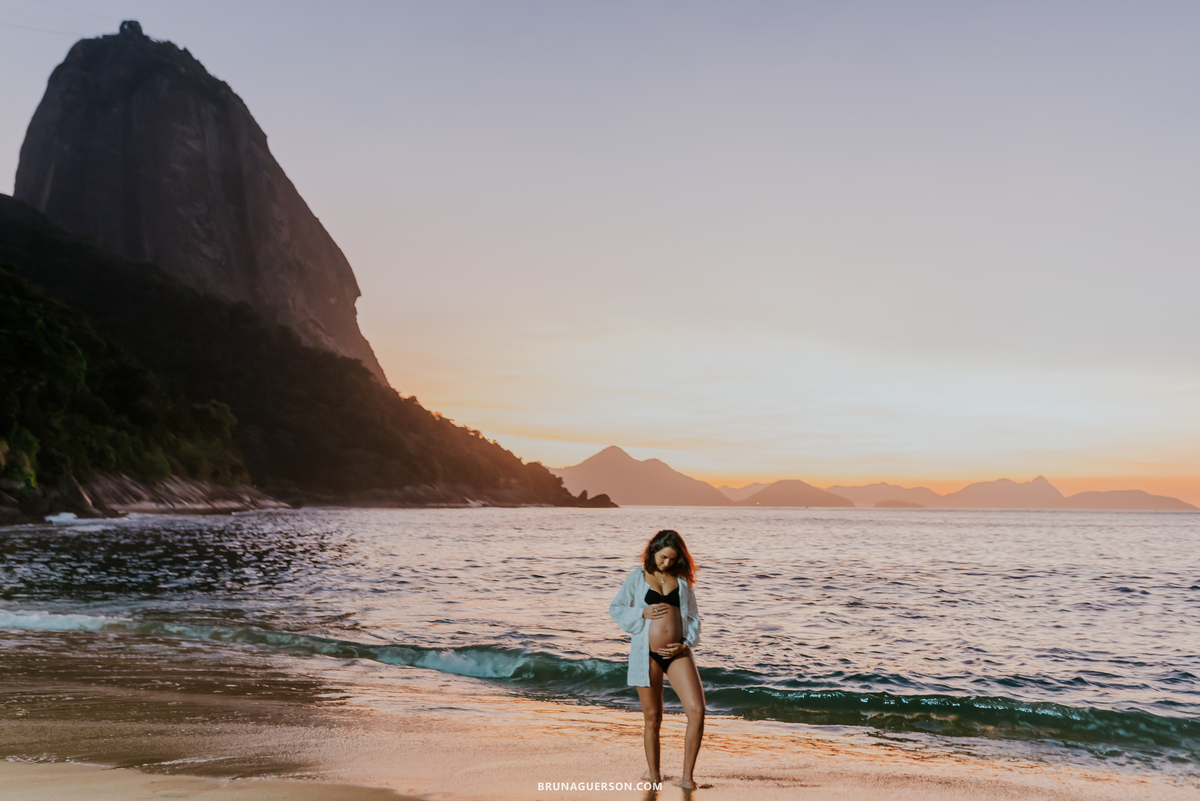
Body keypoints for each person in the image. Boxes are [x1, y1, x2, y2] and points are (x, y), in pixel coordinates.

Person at [609, 529, 705, 789]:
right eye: (663, 557)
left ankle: (687, 779)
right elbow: (616, 608)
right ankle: (654, 778)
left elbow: (694, 617)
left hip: (677, 653)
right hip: (646, 654)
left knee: (697, 711)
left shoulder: (682, 582)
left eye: (673, 559)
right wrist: (643, 612)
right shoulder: (637, 578)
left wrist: (685, 644)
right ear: (653, 551)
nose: (667, 564)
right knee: (653, 719)